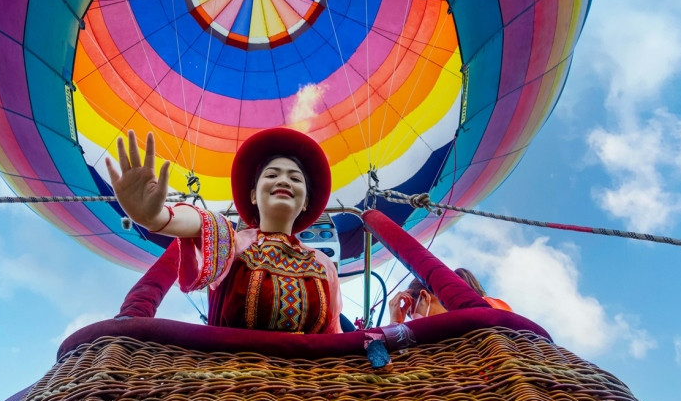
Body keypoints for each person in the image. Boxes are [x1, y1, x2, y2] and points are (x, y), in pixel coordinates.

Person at [106, 128, 342, 334]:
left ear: (306, 202)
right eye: (272, 175)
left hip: (304, 383)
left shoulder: (322, 265)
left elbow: (333, 334)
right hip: (230, 381)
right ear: (253, 195)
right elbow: (199, 223)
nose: (284, 181)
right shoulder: (229, 242)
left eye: (295, 178)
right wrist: (157, 217)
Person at [388, 268, 511, 324]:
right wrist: (395, 323)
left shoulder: (487, 305)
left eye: (411, 313)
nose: (413, 321)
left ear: (425, 297)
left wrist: (394, 328)